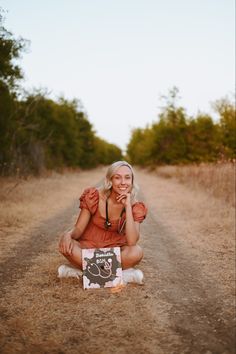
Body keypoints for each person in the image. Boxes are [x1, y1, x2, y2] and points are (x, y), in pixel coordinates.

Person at [58, 161, 147, 284]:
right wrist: (68, 235)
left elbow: (132, 241)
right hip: (88, 248)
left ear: (132, 181)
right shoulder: (94, 196)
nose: (123, 182)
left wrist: (127, 206)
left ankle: (83, 272)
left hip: (115, 251)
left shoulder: (135, 207)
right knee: (69, 246)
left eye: (127, 178)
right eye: (117, 177)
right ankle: (122, 274)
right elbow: (78, 230)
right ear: (110, 180)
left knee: (136, 252)